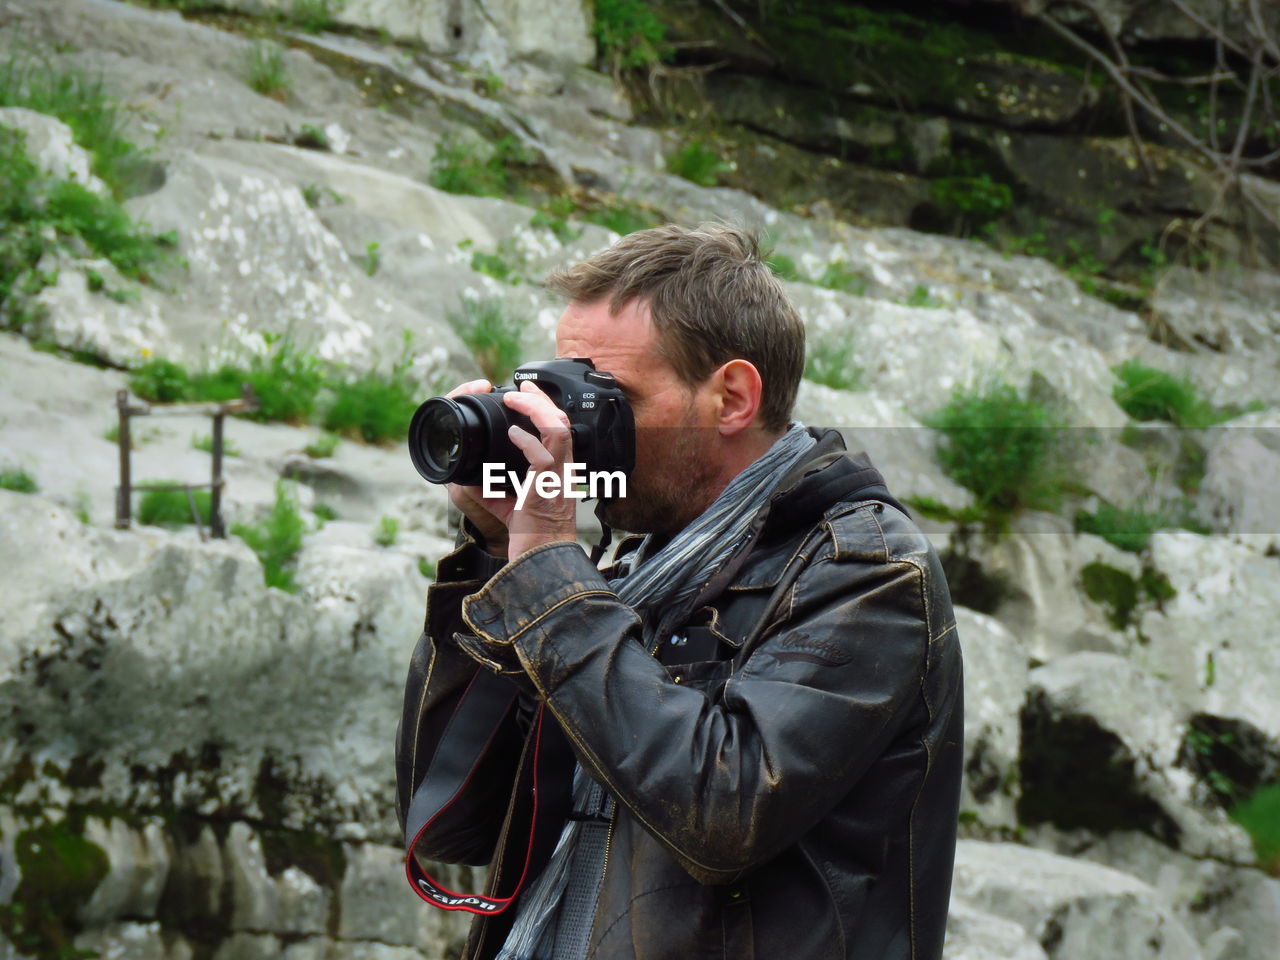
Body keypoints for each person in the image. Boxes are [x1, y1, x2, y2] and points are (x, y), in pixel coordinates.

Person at [395, 223, 963, 960]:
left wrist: (550, 584)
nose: (575, 428)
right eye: (561, 393)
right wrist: (497, 555)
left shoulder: (867, 574)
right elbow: (450, 824)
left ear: (731, 397)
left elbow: (723, 815)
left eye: (608, 396)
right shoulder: (633, 571)